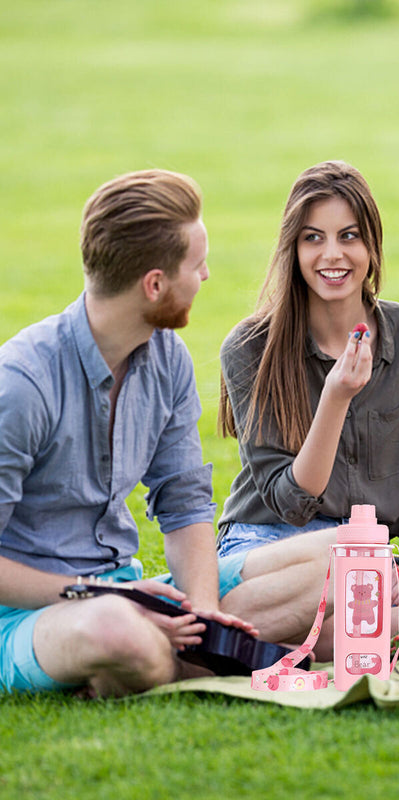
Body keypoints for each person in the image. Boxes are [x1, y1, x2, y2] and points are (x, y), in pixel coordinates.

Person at [215, 160, 399, 637]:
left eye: (349, 236)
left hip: (366, 561)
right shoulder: (250, 349)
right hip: (271, 549)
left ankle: (296, 635)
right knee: (344, 558)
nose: (333, 254)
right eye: (313, 238)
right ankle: (326, 627)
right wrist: (336, 397)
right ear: (292, 248)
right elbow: (290, 503)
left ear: (372, 244)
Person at [0, 169, 261, 696]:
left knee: (330, 555)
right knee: (117, 630)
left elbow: (185, 505)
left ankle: (163, 655)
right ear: (155, 283)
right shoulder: (22, 385)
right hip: (30, 614)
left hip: (128, 589)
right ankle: (132, 654)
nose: (206, 275)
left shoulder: (168, 360)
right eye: (197, 263)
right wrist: (98, 597)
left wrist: (205, 619)